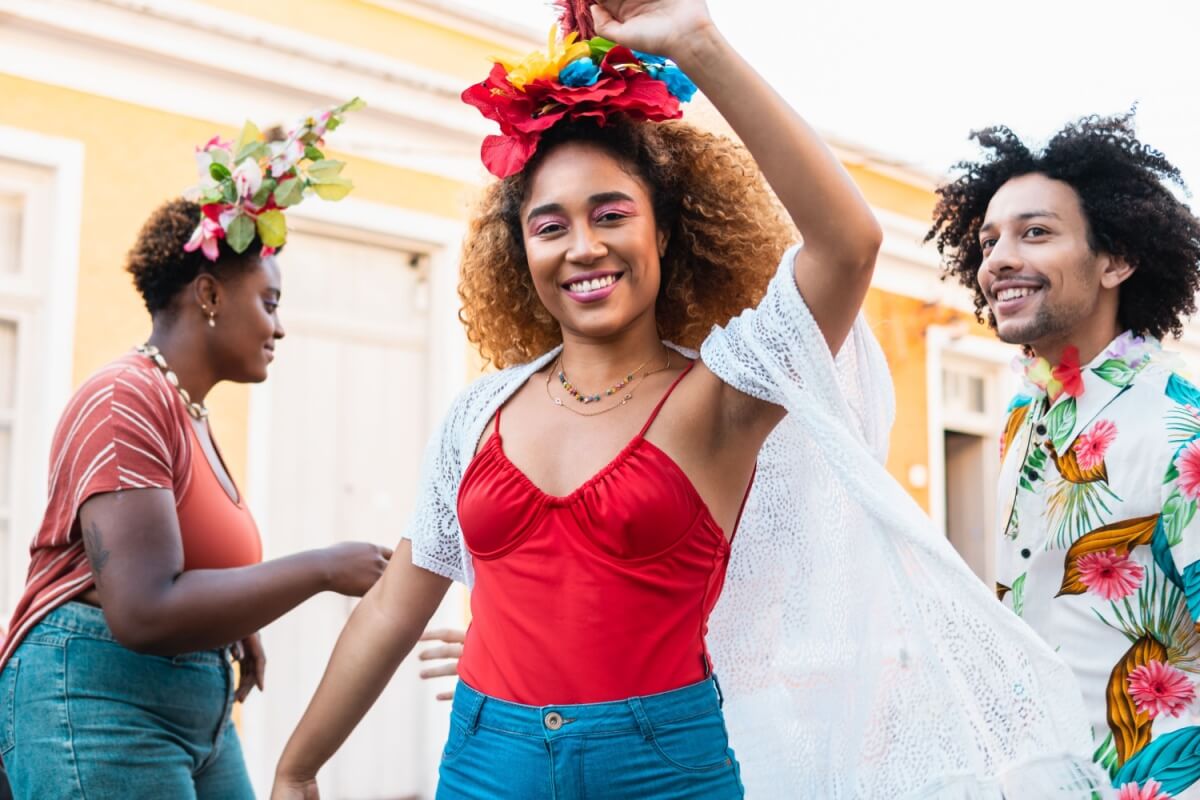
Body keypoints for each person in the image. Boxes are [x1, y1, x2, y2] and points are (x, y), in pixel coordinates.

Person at [275, 2, 1103, 798]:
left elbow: (848, 245)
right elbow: (393, 603)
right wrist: (298, 766)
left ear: (663, 232)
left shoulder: (723, 395)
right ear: (519, 248)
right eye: (550, 225)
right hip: (486, 763)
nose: (584, 246)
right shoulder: (478, 412)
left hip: (663, 767)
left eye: (611, 214)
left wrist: (698, 40)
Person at [0, 100, 392, 800]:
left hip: (193, 712)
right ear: (209, 293)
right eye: (269, 303)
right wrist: (323, 568)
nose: (280, 327)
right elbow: (145, 608)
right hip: (100, 703)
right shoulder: (126, 399)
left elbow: (184, 571)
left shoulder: (186, 408)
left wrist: (231, 627)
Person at [927, 112, 1200, 799]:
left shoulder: (1179, 425)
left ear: (1116, 259)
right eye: (989, 241)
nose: (999, 260)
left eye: (1035, 233)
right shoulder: (1023, 415)